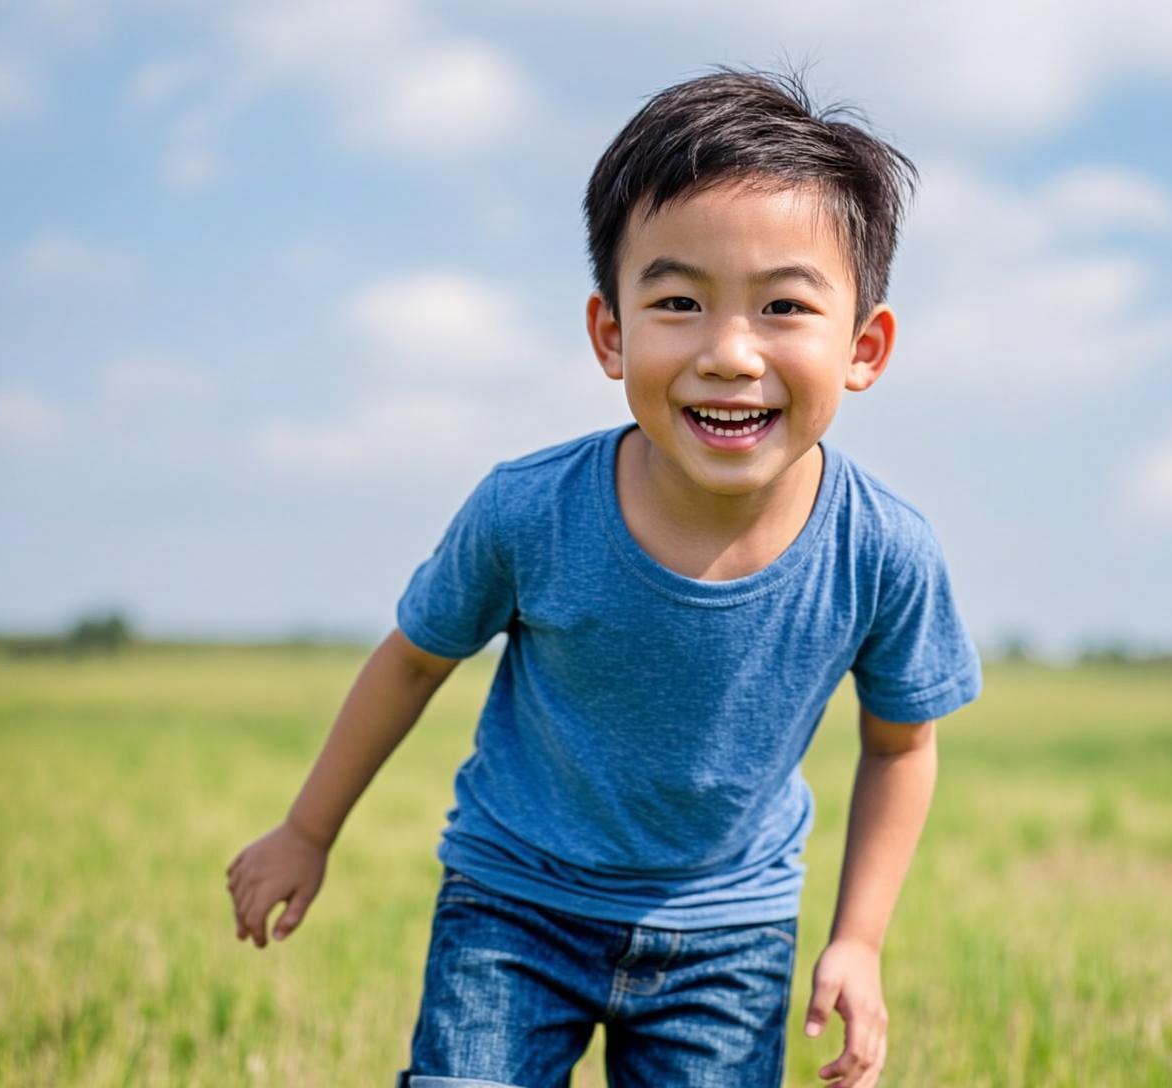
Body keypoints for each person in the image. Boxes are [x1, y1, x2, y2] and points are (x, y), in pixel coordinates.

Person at [226, 62, 982, 1088]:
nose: (727, 351)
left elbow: (899, 746)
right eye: (678, 300)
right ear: (609, 333)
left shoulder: (881, 549)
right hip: (514, 903)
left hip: (726, 932)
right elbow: (411, 662)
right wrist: (306, 830)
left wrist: (857, 938)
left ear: (863, 345)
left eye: (782, 307)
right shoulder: (528, 510)